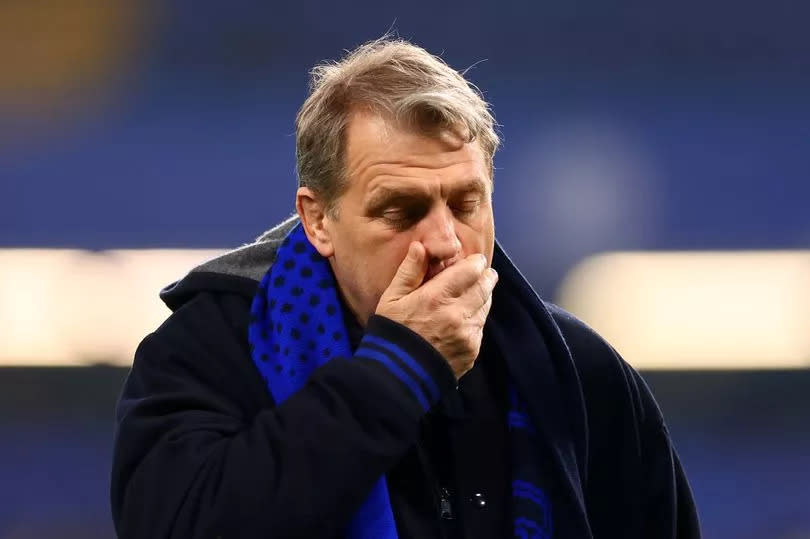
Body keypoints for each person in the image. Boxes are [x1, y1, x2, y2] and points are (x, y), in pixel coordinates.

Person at [110, 37, 701, 539]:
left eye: (466, 203)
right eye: (402, 210)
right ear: (319, 221)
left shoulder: (574, 367)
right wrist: (397, 373)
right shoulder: (206, 352)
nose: (445, 240)